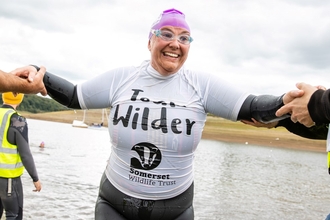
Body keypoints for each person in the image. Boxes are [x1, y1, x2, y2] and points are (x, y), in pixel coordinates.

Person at [34, 8, 312, 220]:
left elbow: (252, 107)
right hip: (115, 204)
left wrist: (284, 100)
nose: (175, 43)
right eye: (166, 34)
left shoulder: (201, 86)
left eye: (184, 38)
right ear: (150, 41)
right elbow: (73, 96)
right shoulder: (121, 78)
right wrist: (37, 72)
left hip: (175, 209)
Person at [0, 92, 42, 220]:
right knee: (14, 215)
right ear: (20, 98)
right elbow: (25, 154)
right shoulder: (18, 121)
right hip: (9, 179)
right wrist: (35, 178)